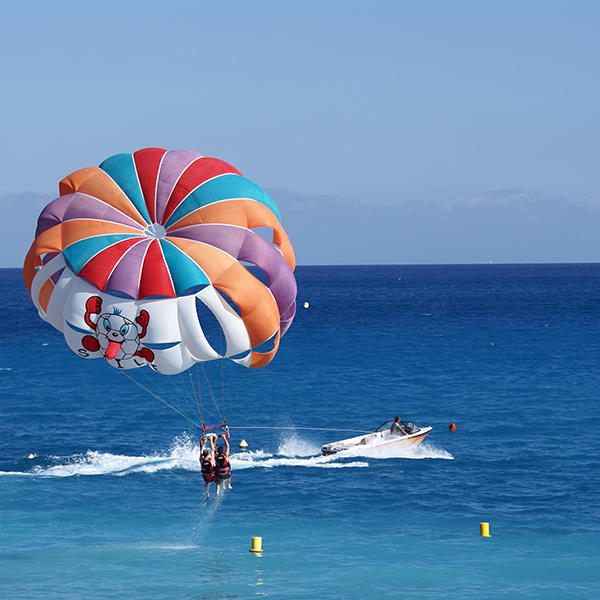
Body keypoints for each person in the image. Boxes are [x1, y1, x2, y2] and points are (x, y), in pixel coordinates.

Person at [215, 433, 232, 498]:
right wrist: (224, 438)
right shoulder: (225, 456)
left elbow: (213, 449)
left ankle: (218, 492)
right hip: (226, 474)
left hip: (219, 475)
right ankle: (229, 484)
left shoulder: (215, 456)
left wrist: (215, 440)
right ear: (223, 452)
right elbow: (228, 447)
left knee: (218, 480)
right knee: (229, 474)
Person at [199, 434, 216, 501]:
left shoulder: (201, 460)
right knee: (217, 482)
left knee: (207, 483)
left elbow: (201, 451)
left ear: (203, 455)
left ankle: (207, 495)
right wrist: (211, 440)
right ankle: (218, 492)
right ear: (208, 454)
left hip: (206, 477)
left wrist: (204, 442)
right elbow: (212, 450)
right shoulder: (211, 460)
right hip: (213, 476)